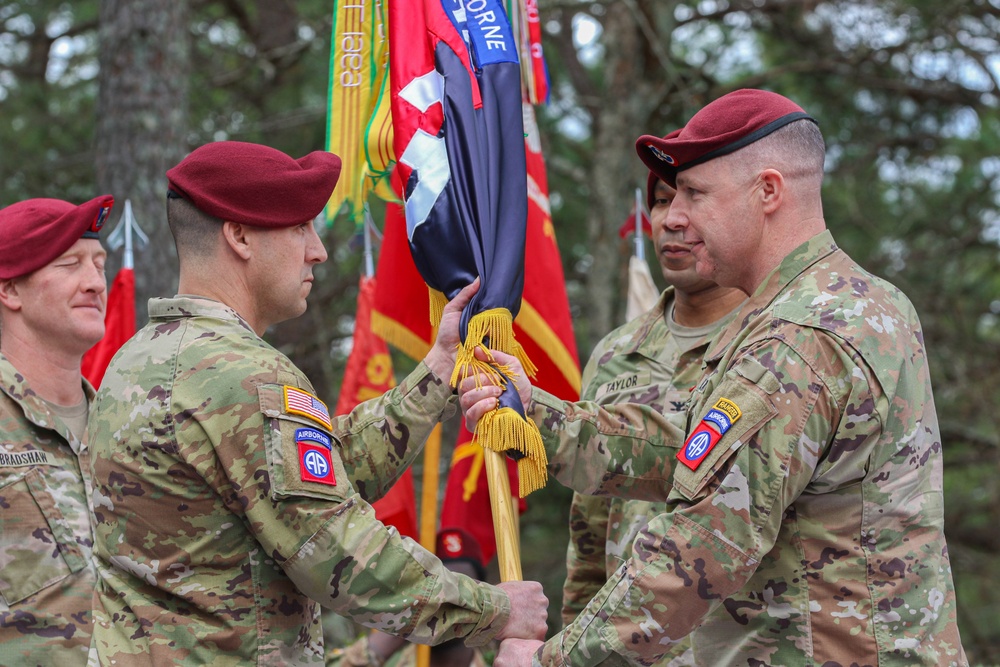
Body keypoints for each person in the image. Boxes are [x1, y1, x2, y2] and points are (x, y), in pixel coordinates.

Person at [460, 89, 966, 666]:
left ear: (768, 191)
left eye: (696, 194)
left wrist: (551, 662)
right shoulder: (865, 300)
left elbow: (703, 543)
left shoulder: (793, 340)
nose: (674, 216)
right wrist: (540, 419)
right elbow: (700, 453)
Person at [86, 141, 547, 665]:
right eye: (299, 226)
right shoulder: (241, 374)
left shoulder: (135, 359)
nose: (318, 250)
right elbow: (336, 551)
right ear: (239, 236)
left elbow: (316, 478)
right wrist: (491, 609)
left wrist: (440, 371)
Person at [561, 166, 745, 667]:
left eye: (692, 199)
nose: (669, 219)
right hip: (627, 651)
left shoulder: (773, 340)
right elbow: (589, 527)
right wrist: (574, 634)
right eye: (661, 202)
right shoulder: (616, 352)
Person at [0, 195, 114, 665]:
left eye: (99, 264)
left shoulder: (128, 426)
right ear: (10, 291)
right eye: (69, 265)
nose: (94, 282)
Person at [329, 528, 491, 667]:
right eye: (440, 588)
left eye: (463, 590)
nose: (450, 600)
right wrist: (398, 627)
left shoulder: (504, 661)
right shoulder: (385, 658)